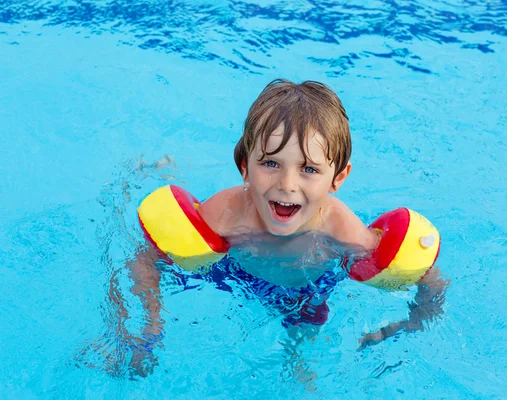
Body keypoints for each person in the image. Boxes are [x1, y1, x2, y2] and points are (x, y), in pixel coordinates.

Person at [119, 79, 447, 378]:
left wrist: (411, 323)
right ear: (245, 166)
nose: (287, 184)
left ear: (338, 178)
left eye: (309, 169)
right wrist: (150, 324)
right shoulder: (226, 215)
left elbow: (428, 278)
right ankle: (158, 171)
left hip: (305, 291)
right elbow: (146, 258)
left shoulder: (341, 231)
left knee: (303, 373)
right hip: (228, 271)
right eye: (270, 163)